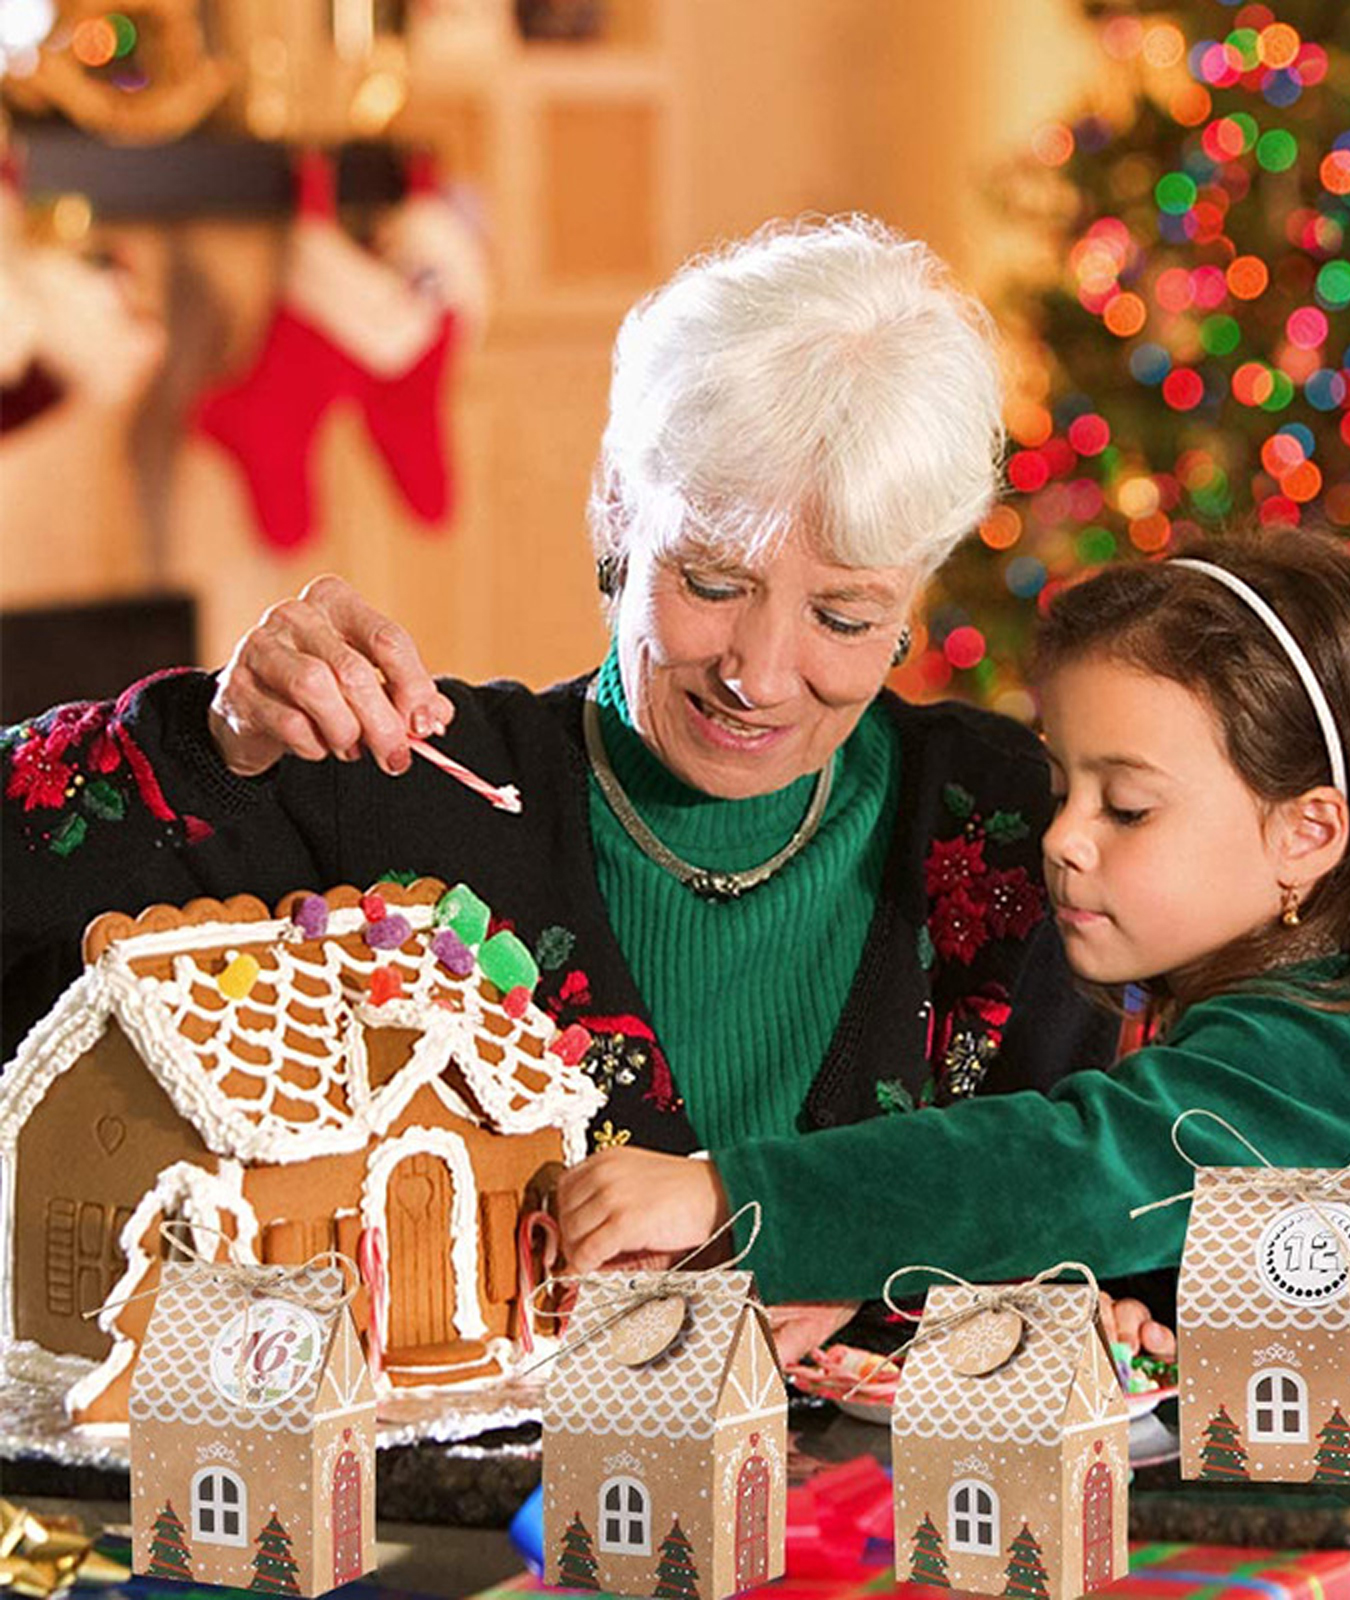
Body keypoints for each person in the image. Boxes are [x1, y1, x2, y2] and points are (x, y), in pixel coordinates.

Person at [0, 215, 1125, 1358]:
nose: (759, 672)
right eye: (713, 580)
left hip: (906, 1531)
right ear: (617, 525)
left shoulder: (1004, 830)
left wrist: (877, 1248)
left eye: (843, 615)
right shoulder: (401, 782)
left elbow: (1151, 1194)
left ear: (910, 608)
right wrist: (212, 736)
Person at [555, 528, 1350, 1591]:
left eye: (1127, 807)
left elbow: (1073, 1160)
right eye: (1063, 789)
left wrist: (726, 1194)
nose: (1061, 837)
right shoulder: (1301, 1010)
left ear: (1306, 833)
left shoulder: (1309, 1044)